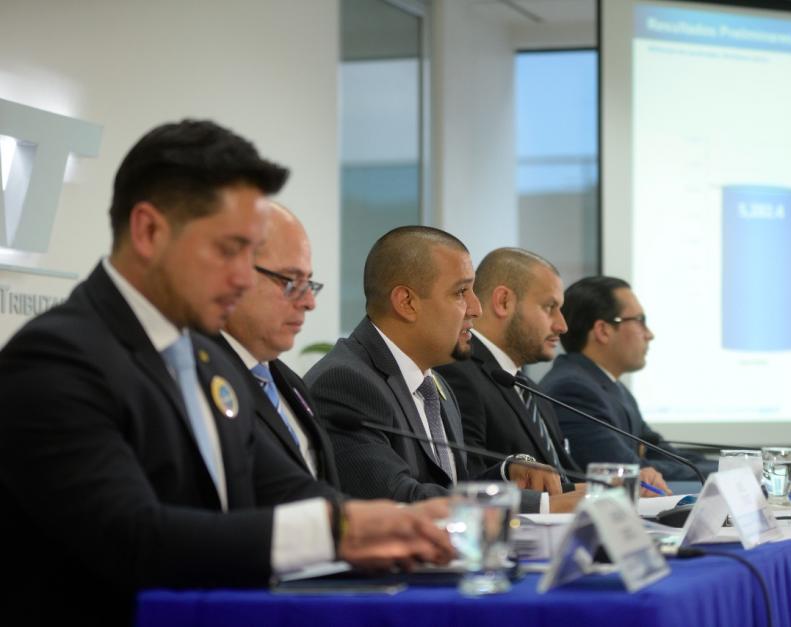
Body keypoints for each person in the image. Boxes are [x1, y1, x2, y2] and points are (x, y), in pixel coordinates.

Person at [0, 120, 452, 626]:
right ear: (149, 230)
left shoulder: (210, 358)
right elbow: (134, 538)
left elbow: (281, 487)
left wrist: (390, 522)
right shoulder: (57, 358)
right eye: (228, 249)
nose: (243, 277)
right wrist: (335, 531)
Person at [304, 226, 570, 513]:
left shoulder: (436, 385)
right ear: (407, 302)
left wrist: (505, 473)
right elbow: (398, 499)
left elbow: (450, 492)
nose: (476, 308)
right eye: (460, 292)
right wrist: (542, 505)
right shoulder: (346, 382)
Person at [437, 249, 670, 496]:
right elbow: (469, 485)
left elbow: (565, 478)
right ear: (504, 301)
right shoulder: (458, 375)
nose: (562, 325)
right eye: (549, 307)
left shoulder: (527, 387)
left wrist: (626, 482)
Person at [540, 276, 715, 481]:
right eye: (640, 321)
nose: (649, 334)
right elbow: (627, 470)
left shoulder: (611, 386)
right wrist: (725, 471)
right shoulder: (571, 390)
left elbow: (665, 454)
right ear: (603, 331)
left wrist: (731, 466)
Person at [219, 202, 340, 487]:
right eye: (290, 281)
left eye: (308, 283)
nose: (309, 302)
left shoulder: (291, 384)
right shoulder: (197, 375)